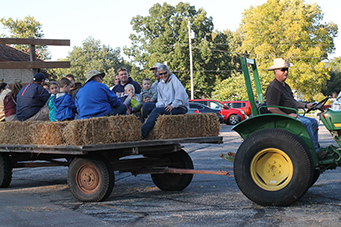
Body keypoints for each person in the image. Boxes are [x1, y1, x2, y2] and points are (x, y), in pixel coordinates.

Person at [265, 58, 327, 160]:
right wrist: (288, 116)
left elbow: (293, 102)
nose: (286, 72)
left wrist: (306, 105)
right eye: (283, 70)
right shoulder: (274, 87)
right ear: (275, 71)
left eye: (287, 69)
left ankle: (315, 149)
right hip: (283, 118)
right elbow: (272, 108)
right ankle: (314, 153)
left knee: (313, 122)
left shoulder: (285, 86)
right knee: (306, 123)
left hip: (292, 115)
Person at [141, 64, 189, 138]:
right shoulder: (160, 84)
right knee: (146, 106)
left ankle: (142, 134)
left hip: (179, 107)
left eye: (165, 73)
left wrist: (173, 105)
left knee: (157, 111)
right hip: (167, 106)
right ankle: (150, 130)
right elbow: (161, 100)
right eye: (161, 74)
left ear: (168, 72)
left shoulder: (174, 80)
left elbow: (181, 96)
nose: (163, 75)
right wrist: (156, 105)